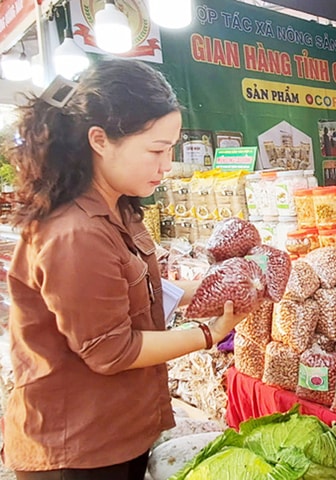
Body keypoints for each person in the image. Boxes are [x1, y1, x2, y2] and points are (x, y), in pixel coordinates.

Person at [3, 59, 245, 479]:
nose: (167, 165)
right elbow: (110, 351)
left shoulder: (119, 207)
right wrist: (210, 334)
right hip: (77, 449)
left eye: (170, 148)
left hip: (117, 430)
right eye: (155, 150)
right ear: (99, 140)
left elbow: (136, 288)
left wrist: (212, 286)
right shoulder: (75, 232)